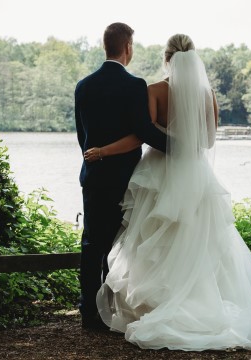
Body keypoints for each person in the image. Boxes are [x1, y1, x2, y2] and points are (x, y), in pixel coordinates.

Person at [84, 34, 251, 351]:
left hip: (159, 171)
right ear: (194, 59)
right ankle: (199, 303)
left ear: (166, 59)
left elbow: (144, 134)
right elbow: (207, 142)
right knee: (197, 240)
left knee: (155, 239)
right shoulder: (206, 95)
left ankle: (153, 306)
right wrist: (185, 141)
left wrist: (107, 150)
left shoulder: (153, 90)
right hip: (194, 173)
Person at [74, 22, 167, 330]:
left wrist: (96, 158)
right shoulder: (134, 85)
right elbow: (143, 131)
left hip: (93, 175)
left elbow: (82, 137)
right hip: (126, 178)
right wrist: (178, 148)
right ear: (128, 47)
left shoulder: (83, 86)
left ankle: (89, 312)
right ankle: (112, 309)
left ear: (106, 47)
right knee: (121, 245)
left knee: (92, 243)